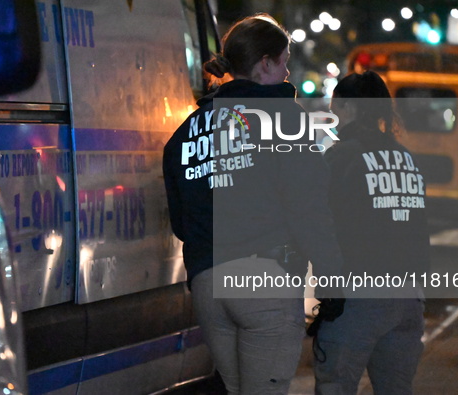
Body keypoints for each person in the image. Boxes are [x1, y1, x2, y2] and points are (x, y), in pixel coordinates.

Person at [163, 13, 344, 394]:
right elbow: (308, 206)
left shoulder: (187, 131)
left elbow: (181, 222)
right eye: (283, 61)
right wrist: (331, 276)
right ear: (265, 63)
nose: (287, 71)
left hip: (209, 284)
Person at [313, 71, 430, 394]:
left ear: (348, 106)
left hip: (358, 299)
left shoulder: (341, 157)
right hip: (407, 299)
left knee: (335, 386)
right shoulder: (407, 159)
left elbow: (321, 225)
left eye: (336, 105)